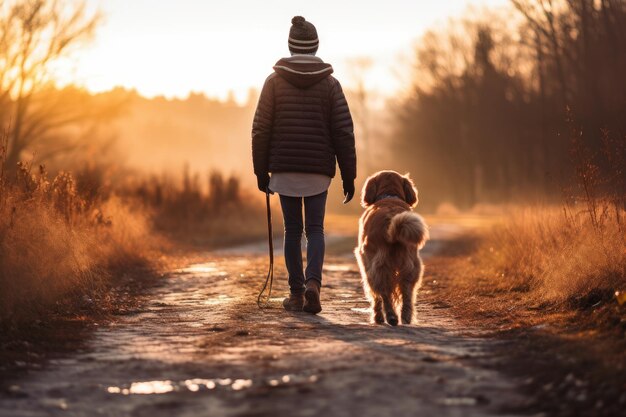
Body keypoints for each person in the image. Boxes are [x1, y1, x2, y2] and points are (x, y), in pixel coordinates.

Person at [251, 16, 357, 314]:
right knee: (316, 229)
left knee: (293, 230)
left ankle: (296, 295)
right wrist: (349, 176)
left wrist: (261, 171)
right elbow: (343, 132)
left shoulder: (273, 82)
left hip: (283, 169)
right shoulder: (330, 84)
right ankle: (313, 284)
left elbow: (260, 128)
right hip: (317, 170)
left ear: (289, 45)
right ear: (316, 47)